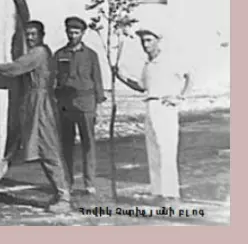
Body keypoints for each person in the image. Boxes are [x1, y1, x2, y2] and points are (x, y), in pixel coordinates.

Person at [0, 20, 72, 213]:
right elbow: (9, 78)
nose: (30, 37)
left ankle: (64, 197)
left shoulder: (39, 53)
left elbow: (16, 68)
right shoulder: (33, 54)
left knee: (48, 149)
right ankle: (60, 193)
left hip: (42, 104)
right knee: (40, 149)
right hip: (32, 103)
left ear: (41, 35)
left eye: (33, 34)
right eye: (27, 34)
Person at [112, 25, 192, 203]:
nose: (145, 44)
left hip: (165, 107)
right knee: (153, 151)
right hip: (150, 106)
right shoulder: (147, 65)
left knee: (166, 151)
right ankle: (158, 193)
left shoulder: (170, 59)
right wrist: (121, 76)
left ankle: (171, 195)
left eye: (149, 40)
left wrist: (180, 97)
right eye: (143, 41)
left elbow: (189, 76)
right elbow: (142, 87)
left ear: (158, 41)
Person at [54, 16, 106, 196]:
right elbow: (53, 78)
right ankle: (67, 182)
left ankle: (89, 183)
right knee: (66, 145)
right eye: (70, 32)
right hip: (66, 105)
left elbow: (97, 80)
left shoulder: (91, 55)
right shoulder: (59, 54)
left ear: (83, 33)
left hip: (86, 104)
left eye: (76, 32)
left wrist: (99, 104)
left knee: (88, 145)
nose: (73, 35)